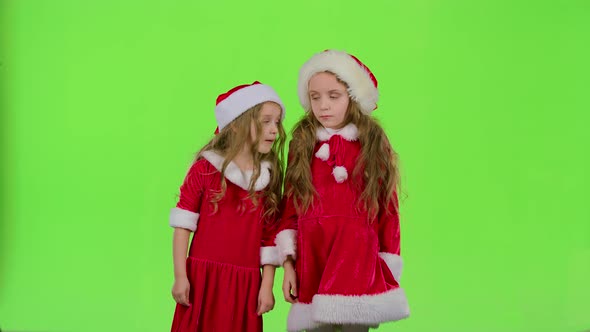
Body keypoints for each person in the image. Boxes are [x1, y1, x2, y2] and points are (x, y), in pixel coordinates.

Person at [275, 50, 410, 332]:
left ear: (352, 96)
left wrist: (387, 264)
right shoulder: (302, 141)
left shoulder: (372, 141)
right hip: (314, 261)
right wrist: (288, 263)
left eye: (333, 96)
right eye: (315, 97)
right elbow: (291, 206)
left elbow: (388, 209)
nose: (323, 105)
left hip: (357, 262)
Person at [169, 81, 287, 332]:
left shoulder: (267, 177)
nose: (274, 130)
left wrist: (267, 286)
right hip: (203, 282)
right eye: (265, 121)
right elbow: (183, 224)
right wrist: (181, 276)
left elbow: (269, 237)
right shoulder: (205, 169)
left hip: (245, 286)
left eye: (277, 122)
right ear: (236, 123)